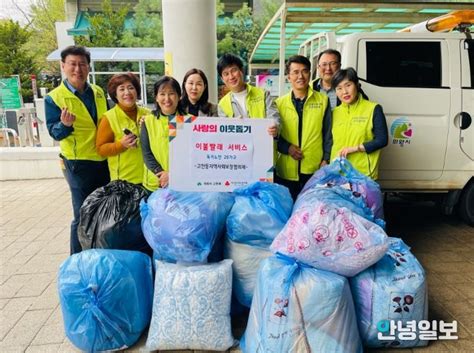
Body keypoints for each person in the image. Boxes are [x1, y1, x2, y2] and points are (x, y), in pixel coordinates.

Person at [45, 45, 110, 255]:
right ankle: (77, 260)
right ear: (63, 66)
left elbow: (110, 121)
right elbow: (54, 132)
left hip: (102, 159)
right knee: (82, 213)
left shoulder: (98, 93)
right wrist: (64, 125)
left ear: (88, 67)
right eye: (72, 64)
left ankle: (97, 253)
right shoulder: (54, 98)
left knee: (101, 210)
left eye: (82, 64)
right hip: (77, 163)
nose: (78, 69)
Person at [275, 55, 332, 200]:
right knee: (287, 212)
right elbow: (274, 135)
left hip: (314, 168)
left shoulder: (322, 100)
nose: (300, 76)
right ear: (288, 76)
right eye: (295, 72)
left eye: (305, 71)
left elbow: (328, 133)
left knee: (311, 213)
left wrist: (326, 159)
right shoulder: (279, 104)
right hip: (286, 170)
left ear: (310, 74)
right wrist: (287, 148)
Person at [330, 67, 388, 179]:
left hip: (363, 175)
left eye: (348, 85)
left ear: (356, 85)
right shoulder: (334, 113)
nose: (344, 92)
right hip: (337, 173)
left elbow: (382, 140)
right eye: (339, 88)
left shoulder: (373, 109)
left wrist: (354, 148)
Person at [96, 73, 150, 184]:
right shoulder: (108, 118)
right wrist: (121, 145)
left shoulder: (148, 114)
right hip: (124, 181)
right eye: (121, 89)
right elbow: (101, 149)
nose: (127, 93)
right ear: (115, 94)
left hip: (149, 179)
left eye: (131, 88)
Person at [141, 76, 189, 192]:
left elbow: (191, 154)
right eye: (162, 94)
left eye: (171, 93)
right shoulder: (147, 121)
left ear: (179, 96)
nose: (167, 99)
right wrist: (162, 174)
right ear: (156, 97)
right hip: (155, 184)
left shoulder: (189, 121)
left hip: (182, 183)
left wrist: (173, 174)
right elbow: (147, 153)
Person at [217, 53, 279, 137]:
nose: (231, 77)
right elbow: (224, 134)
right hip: (239, 148)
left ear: (241, 71)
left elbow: (274, 119)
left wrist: (275, 127)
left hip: (263, 147)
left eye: (234, 70)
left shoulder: (263, 94)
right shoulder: (222, 105)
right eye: (226, 74)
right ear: (222, 79)